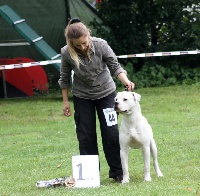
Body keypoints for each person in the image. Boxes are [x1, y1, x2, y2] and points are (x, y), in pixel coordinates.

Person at [58, 18, 135, 183]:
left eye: (84, 43)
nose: (82, 47)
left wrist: (126, 81)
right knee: (86, 135)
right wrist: (65, 101)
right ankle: (90, 175)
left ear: (88, 36)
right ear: (71, 44)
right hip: (82, 96)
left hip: (107, 94)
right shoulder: (66, 52)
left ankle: (118, 172)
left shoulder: (101, 44)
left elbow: (115, 67)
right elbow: (64, 78)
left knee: (111, 133)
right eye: (77, 45)